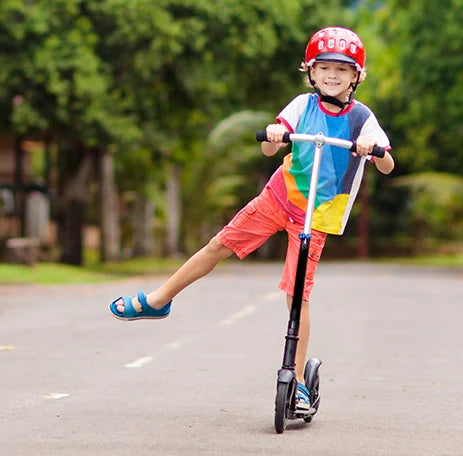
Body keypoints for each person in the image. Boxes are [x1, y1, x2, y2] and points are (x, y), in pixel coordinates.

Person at [109, 26, 394, 412]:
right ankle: (160, 299)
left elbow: (388, 164)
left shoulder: (363, 117)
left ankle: (297, 382)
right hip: (279, 196)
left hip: (317, 215)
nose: (332, 75)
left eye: (342, 70)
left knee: (298, 297)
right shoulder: (301, 105)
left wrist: (372, 149)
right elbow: (266, 147)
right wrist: (275, 135)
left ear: (356, 76)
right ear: (310, 71)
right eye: (324, 67)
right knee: (218, 245)